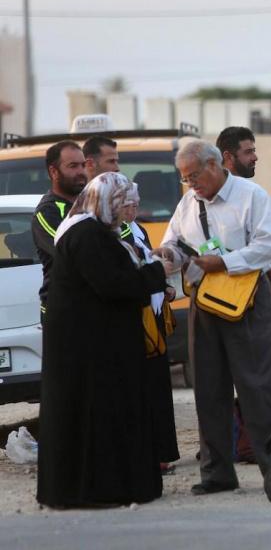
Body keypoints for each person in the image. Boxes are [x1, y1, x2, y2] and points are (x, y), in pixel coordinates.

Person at [155, 140, 271, 496]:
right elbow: (176, 242)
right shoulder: (188, 203)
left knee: (259, 386)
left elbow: (265, 247)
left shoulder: (251, 196)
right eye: (185, 179)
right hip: (204, 302)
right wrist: (165, 255)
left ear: (214, 165)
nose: (191, 185)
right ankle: (216, 472)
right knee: (208, 388)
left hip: (246, 301)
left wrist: (224, 263)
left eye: (194, 176)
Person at [37, 172, 167, 508]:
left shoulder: (95, 231)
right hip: (86, 348)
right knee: (93, 416)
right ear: (105, 202)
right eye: (123, 204)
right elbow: (113, 284)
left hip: (97, 341)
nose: (128, 212)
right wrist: (158, 273)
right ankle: (98, 490)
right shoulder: (86, 234)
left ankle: (116, 486)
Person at [123, 186, 180, 474]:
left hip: (155, 315)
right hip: (136, 318)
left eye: (136, 204)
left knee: (159, 388)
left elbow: (148, 265)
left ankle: (162, 451)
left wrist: (166, 286)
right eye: (127, 204)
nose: (133, 209)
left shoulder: (139, 230)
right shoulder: (112, 234)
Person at [216, 126, 271, 316]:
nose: (255, 158)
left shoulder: (254, 194)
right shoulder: (206, 196)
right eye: (248, 152)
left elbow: (268, 244)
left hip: (256, 287)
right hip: (219, 290)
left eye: (254, 151)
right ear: (228, 156)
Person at [31, 141, 88, 324]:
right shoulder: (47, 212)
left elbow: (126, 237)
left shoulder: (92, 203)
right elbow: (69, 253)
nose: (81, 171)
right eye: (73, 166)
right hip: (63, 313)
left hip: (94, 310)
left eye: (83, 165)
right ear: (54, 172)